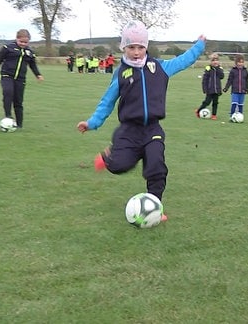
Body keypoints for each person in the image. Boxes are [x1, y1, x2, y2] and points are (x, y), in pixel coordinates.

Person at [76, 20, 206, 219]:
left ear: (146, 46)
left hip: (152, 129)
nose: (136, 52)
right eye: (131, 47)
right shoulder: (120, 74)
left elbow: (183, 61)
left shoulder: (159, 67)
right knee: (120, 166)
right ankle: (109, 156)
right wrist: (92, 123)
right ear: (124, 47)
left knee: (156, 166)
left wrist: (199, 45)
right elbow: (107, 102)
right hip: (129, 130)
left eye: (140, 47)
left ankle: (155, 206)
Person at [0, 29, 44, 128]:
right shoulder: (7, 48)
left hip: (20, 79)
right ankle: (8, 116)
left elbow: (32, 65)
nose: (23, 44)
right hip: (7, 76)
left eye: (25, 42)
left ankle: (19, 124)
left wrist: (38, 75)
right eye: (21, 41)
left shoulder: (29, 52)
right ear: (16, 39)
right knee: (8, 92)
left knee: (18, 101)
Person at [195, 53, 224, 120]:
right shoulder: (208, 69)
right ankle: (198, 111)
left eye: (216, 60)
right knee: (207, 102)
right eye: (213, 60)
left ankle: (214, 115)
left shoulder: (219, 68)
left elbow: (222, 76)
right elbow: (204, 80)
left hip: (217, 89)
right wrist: (204, 89)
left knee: (215, 103)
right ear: (211, 62)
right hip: (210, 89)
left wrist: (217, 68)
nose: (215, 62)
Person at [223, 54, 248, 119]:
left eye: (242, 62)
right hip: (235, 91)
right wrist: (226, 88)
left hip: (242, 91)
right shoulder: (233, 70)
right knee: (234, 103)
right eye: (239, 62)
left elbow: (247, 80)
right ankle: (231, 116)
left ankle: (240, 117)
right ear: (236, 63)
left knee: (240, 105)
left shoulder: (245, 70)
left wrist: (247, 88)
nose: (241, 64)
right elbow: (229, 80)